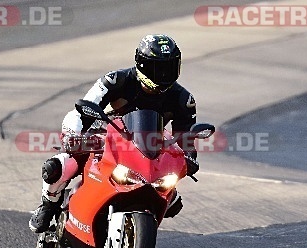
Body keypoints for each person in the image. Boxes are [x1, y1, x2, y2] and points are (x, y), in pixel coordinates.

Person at [29, 34, 199, 233]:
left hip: (147, 150)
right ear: (142, 65)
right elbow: (82, 110)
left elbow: (185, 140)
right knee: (57, 167)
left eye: (170, 68)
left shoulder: (184, 99)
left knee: (173, 202)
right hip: (103, 138)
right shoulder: (115, 80)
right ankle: (48, 206)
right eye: (158, 69)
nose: (164, 75)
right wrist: (74, 136)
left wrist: (188, 159)